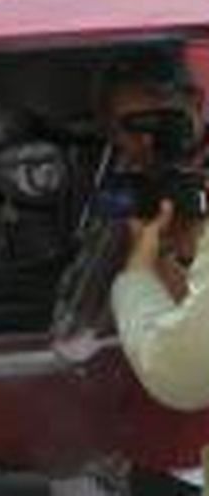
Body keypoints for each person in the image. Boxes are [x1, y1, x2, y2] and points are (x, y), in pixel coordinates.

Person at [102, 56, 209, 494]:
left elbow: (183, 369)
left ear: (196, 104)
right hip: (160, 446)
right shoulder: (129, 187)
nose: (148, 140)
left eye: (164, 120)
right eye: (132, 126)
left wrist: (146, 265)